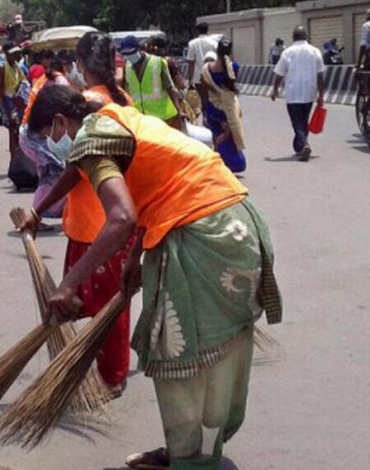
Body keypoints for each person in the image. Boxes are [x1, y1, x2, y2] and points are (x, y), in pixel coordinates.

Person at [27, 85, 281, 470]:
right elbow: (161, 183)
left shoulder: (91, 139)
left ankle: (192, 458)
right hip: (236, 223)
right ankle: (192, 451)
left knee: (179, 353)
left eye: (51, 134)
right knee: (218, 357)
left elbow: (121, 218)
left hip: (202, 234)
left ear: (61, 121)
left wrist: (68, 284)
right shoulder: (115, 117)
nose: (55, 143)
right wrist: (135, 253)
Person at [19, 32, 134, 396]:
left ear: (81, 66)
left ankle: (111, 378)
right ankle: (94, 368)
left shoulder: (87, 106)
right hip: (96, 223)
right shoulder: (121, 99)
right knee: (103, 303)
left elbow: (76, 169)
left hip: (99, 225)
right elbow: (78, 167)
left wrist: (39, 209)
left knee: (105, 309)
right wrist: (38, 210)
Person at [19, 51, 70, 222]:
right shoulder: (60, 80)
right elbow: (66, 106)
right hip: (37, 134)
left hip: (30, 132)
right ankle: (38, 213)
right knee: (56, 172)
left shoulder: (43, 80)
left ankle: (44, 211)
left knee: (47, 174)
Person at [271, 25, 325, 162]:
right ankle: (299, 146)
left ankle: (305, 145)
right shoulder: (315, 51)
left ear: (293, 37)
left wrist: (275, 90)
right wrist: (321, 95)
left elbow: (279, 74)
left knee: (297, 122)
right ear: (306, 36)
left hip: (293, 93)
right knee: (303, 121)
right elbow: (320, 76)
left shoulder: (288, 52)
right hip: (309, 93)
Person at [119, 35, 184, 129]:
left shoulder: (157, 62)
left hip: (161, 118)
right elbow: (126, 90)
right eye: (126, 54)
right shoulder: (127, 66)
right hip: (141, 119)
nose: (129, 56)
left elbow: (170, 88)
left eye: (132, 53)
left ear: (139, 50)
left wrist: (179, 110)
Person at [202, 39, 246, 173]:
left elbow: (204, 86)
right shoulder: (234, 68)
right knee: (230, 136)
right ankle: (217, 158)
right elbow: (231, 91)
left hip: (212, 108)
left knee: (217, 133)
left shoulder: (207, 68)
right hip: (227, 110)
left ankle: (214, 156)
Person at [0, 43, 27, 155]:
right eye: (15, 54)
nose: (17, 56)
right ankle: (13, 157)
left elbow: (22, 82)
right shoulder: (2, 67)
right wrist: (9, 111)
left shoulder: (16, 66)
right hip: (8, 102)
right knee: (13, 130)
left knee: (20, 131)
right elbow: (1, 91)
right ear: (8, 55)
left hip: (17, 101)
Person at [186, 22, 219, 90]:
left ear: (198, 31)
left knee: (202, 98)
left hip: (197, 78)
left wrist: (190, 80)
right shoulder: (214, 43)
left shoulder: (192, 43)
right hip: (211, 76)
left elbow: (191, 63)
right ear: (207, 30)